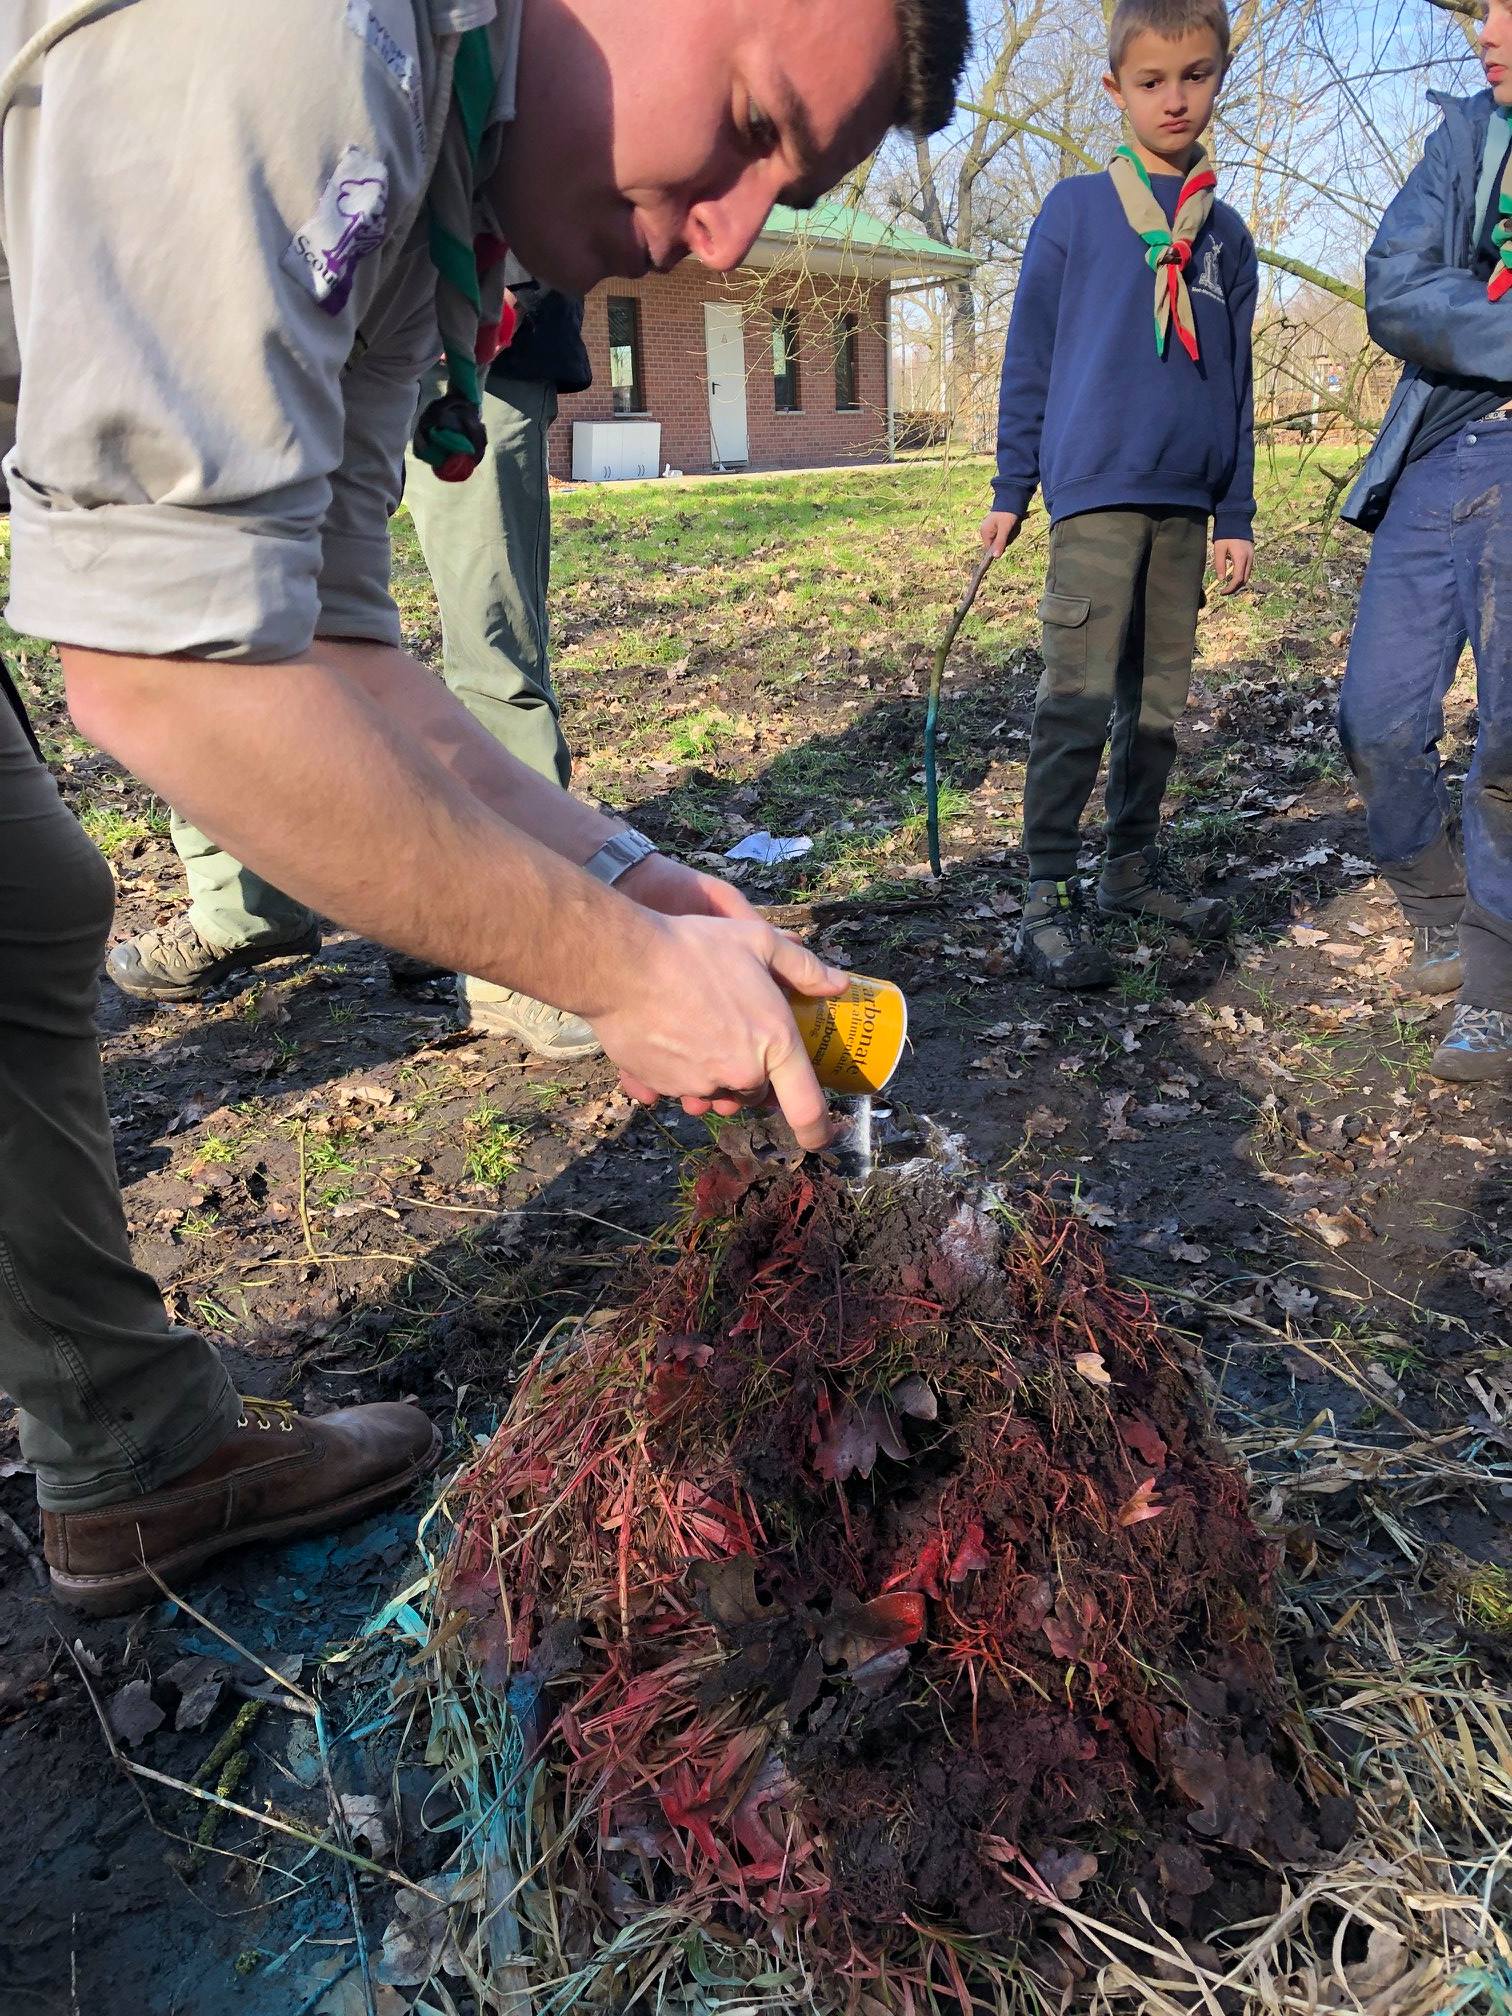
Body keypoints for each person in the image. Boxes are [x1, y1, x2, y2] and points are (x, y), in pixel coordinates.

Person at [0, 0, 970, 1614]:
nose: (725, 248)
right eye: (744, 122)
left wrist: (628, 880)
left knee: (25, 904)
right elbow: (163, 674)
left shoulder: (441, 155)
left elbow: (330, 644)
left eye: (783, 201)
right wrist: (612, 976)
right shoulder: (315, 34)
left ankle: (124, 1460)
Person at [106, 281, 605, 1062]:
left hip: (485, 335)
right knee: (237, 611)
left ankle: (508, 928)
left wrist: (506, 272)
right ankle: (246, 905)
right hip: (292, 329)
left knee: (493, 637)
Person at [978, 0, 1256, 989]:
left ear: (1220, 74)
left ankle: (1128, 869)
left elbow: (1238, 379)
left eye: (1196, 75)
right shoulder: (1075, 212)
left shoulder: (1225, 238)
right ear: (1115, 90)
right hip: (1094, 497)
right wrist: (1014, 484)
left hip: (1187, 504)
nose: (1175, 98)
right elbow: (1030, 360)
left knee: (1157, 703)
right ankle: (1045, 893)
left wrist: (1238, 511)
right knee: (1080, 697)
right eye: (1151, 81)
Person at [1338, 0, 1512, 1082]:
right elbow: (1393, 285)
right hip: (1443, 449)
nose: (1485, 31)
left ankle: (1496, 987)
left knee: (1508, 742)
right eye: (1484, 10)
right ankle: (1440, 908)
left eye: (1509, 10)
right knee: (1375, 716)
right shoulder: (1464, 140)